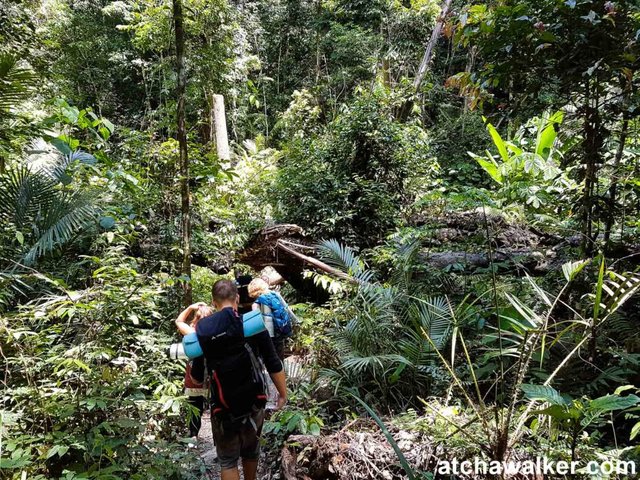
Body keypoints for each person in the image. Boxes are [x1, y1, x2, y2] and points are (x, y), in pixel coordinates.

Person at [191, 279, 287, 480]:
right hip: (253, 402)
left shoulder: (203, 330)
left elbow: (197, 378)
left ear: (213, 301)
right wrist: (282, 394)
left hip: (222, 407)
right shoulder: (251, 323)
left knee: (228, 460)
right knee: (251, 452)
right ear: (237, 297)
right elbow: (273, 361)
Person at [174, 302, 214, 438]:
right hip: (213, 379)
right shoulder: (217, 331)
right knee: (216, 408)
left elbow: (179, 321)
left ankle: (193, 436)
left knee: (195, 409)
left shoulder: (192, 332)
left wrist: (190, 307)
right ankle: (219, 441)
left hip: (194, 379)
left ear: (196, 319)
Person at [248, 278, 296, 361]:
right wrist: (295, 321)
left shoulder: (256, 304)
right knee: (280, 357)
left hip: (268, 337)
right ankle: (282, 372)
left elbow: (255, 327)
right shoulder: (276, 294)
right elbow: (287, 308)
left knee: (270, 360)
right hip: (280, 332)